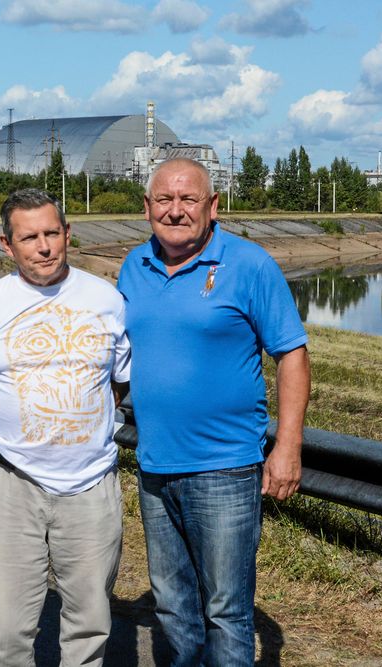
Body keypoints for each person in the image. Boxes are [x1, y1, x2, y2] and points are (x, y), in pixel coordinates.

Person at [116, 158, 311, 666]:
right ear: (146, 207)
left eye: (188, 200)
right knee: (174, 607)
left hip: (224, 469)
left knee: (226, 611)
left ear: (213, 207)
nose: (175, 211)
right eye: (164, 200)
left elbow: (292, 355)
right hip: (155, 466)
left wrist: (286, 447)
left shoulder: (249, 265)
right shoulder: (133, 267)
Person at [0, 188, 130, 666]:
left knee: (89, 628)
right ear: (6, 244)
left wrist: (74, 425)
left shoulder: (107, 299)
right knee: (6, 633)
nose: (44, 247)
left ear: (68, 234)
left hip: (92, 487)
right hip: (11, 485)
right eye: (30, 237)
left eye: (52, 233)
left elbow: (117, 384)